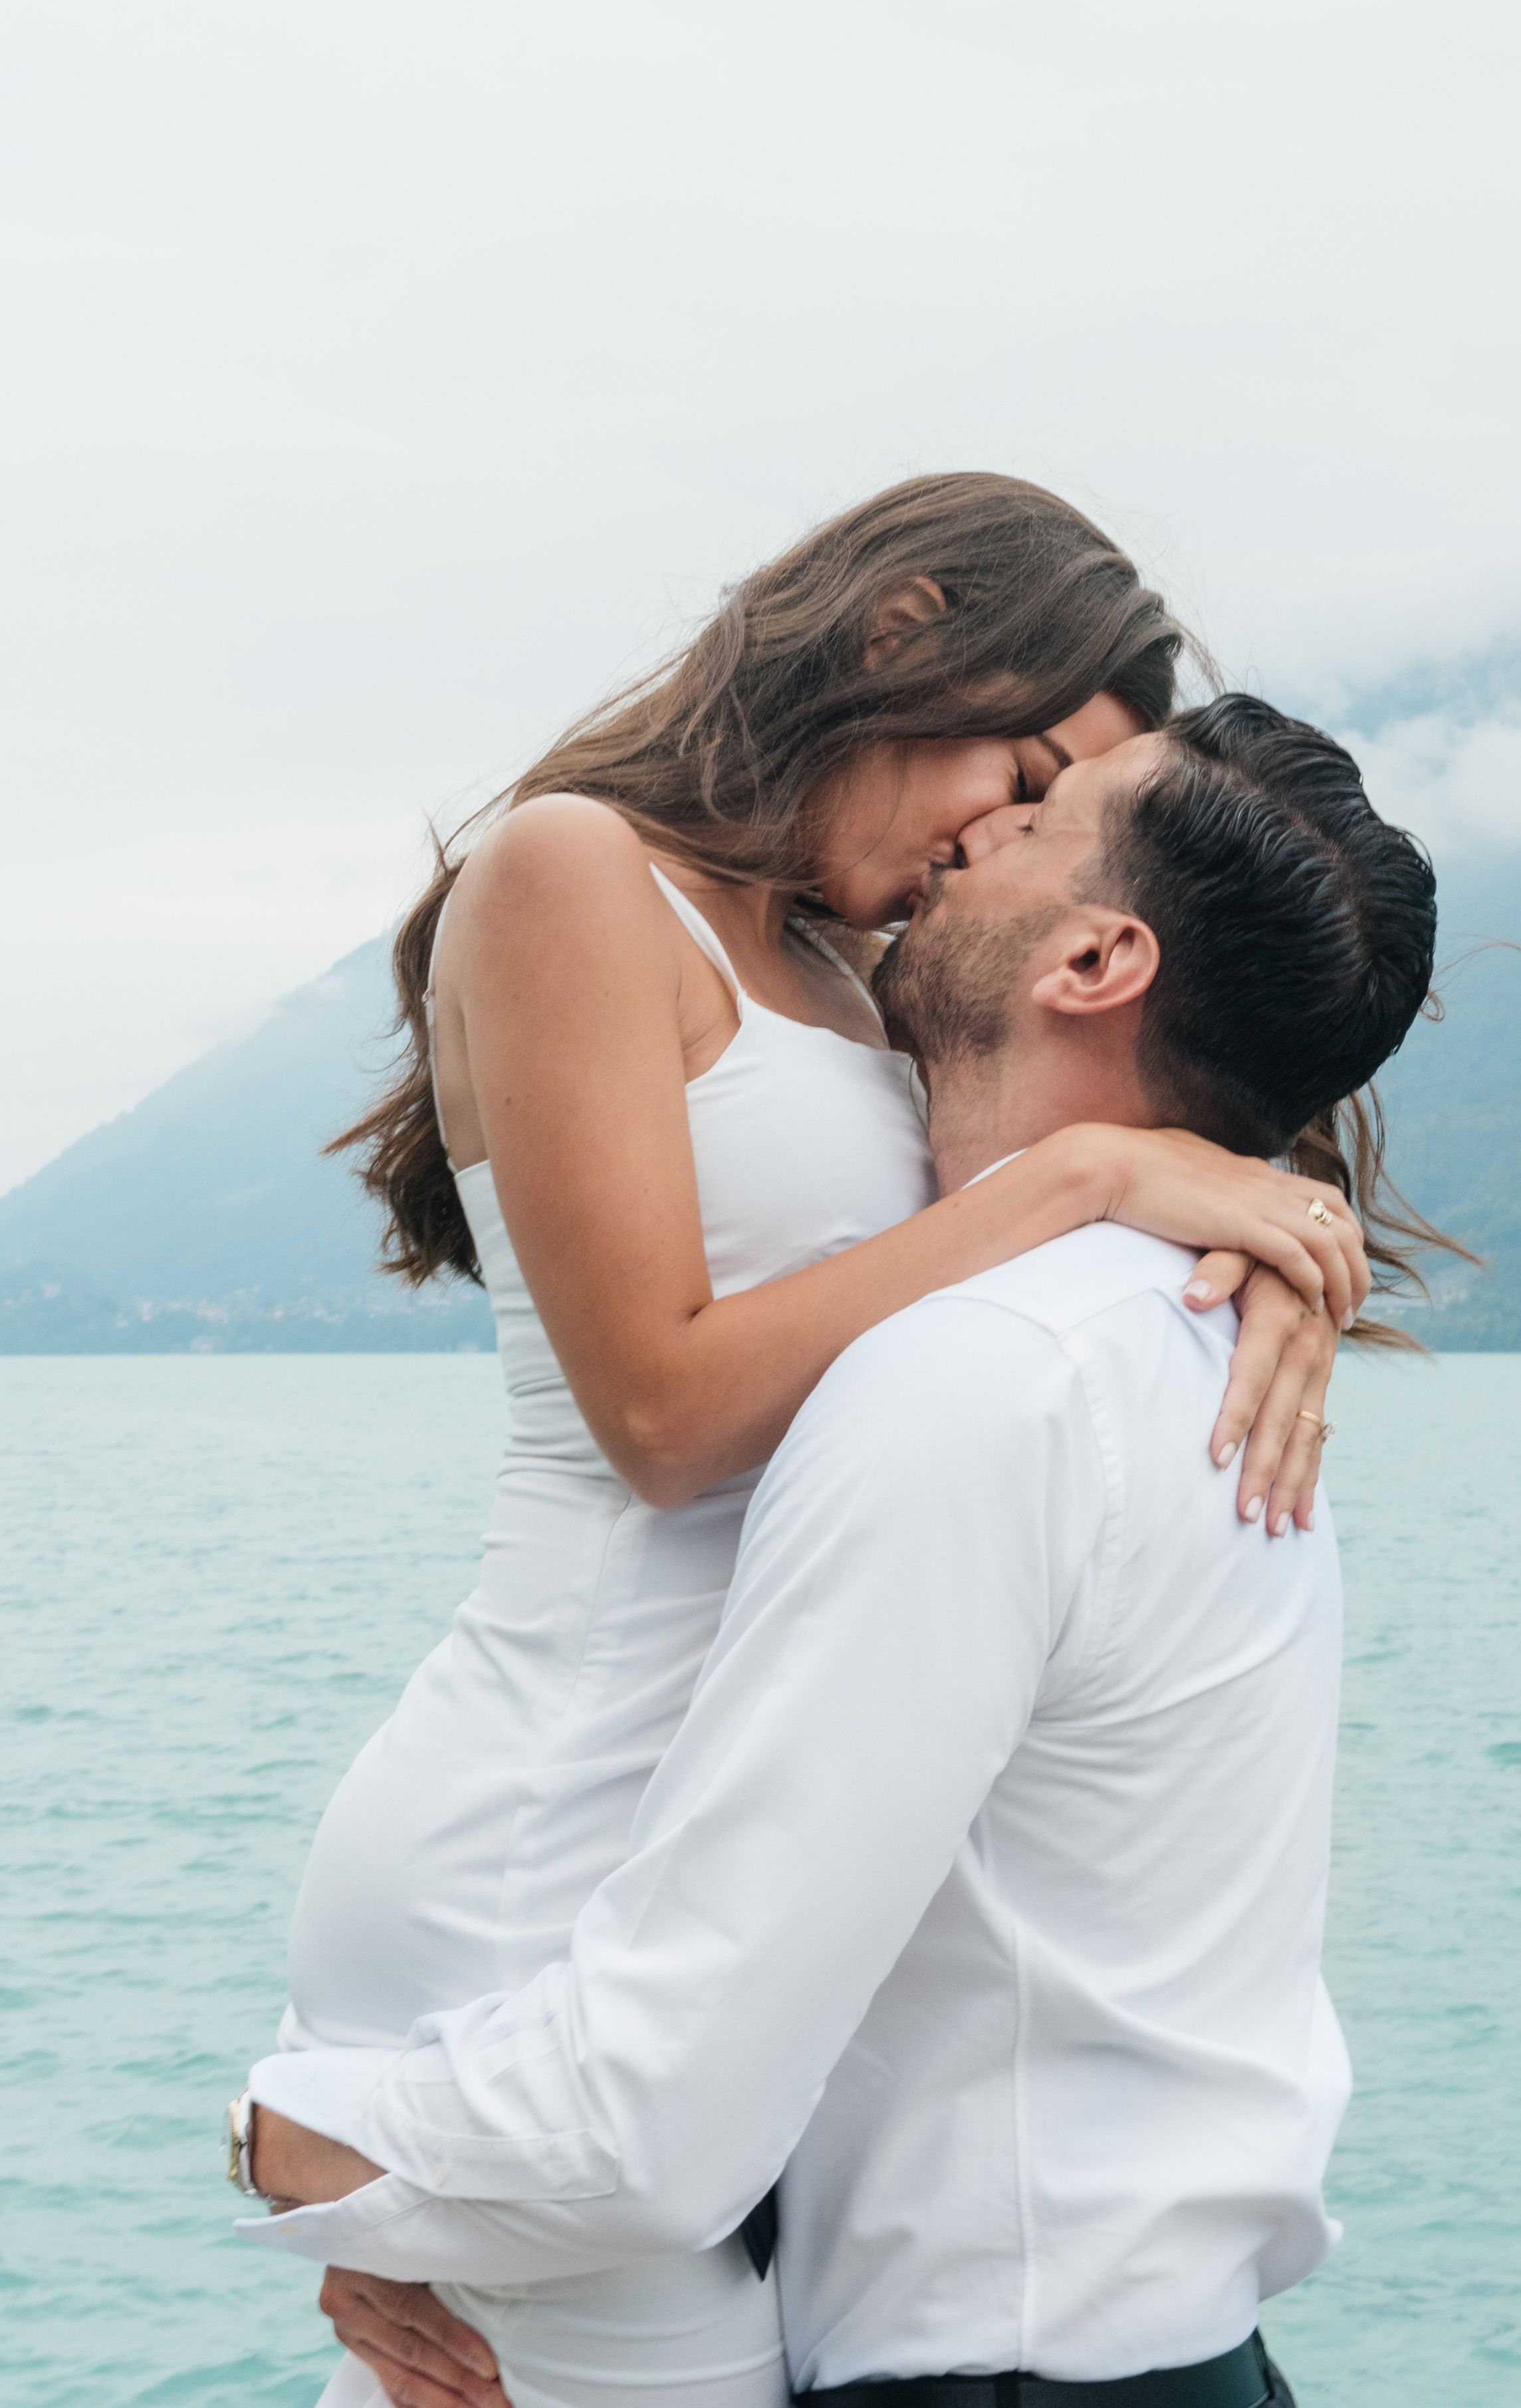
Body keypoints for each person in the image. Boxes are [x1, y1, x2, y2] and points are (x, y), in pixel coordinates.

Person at [241, 479, 1399, 2408]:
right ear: (900, 628)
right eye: (1020, 768)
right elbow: (669, 1418)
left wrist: (1271, 1247)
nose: (996, 832)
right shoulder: (574, 874)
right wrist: (1095, 1177)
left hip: (725, 1913)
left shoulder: (877, 975)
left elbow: (1136, 1067)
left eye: (1044, 818)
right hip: (545, 1848)